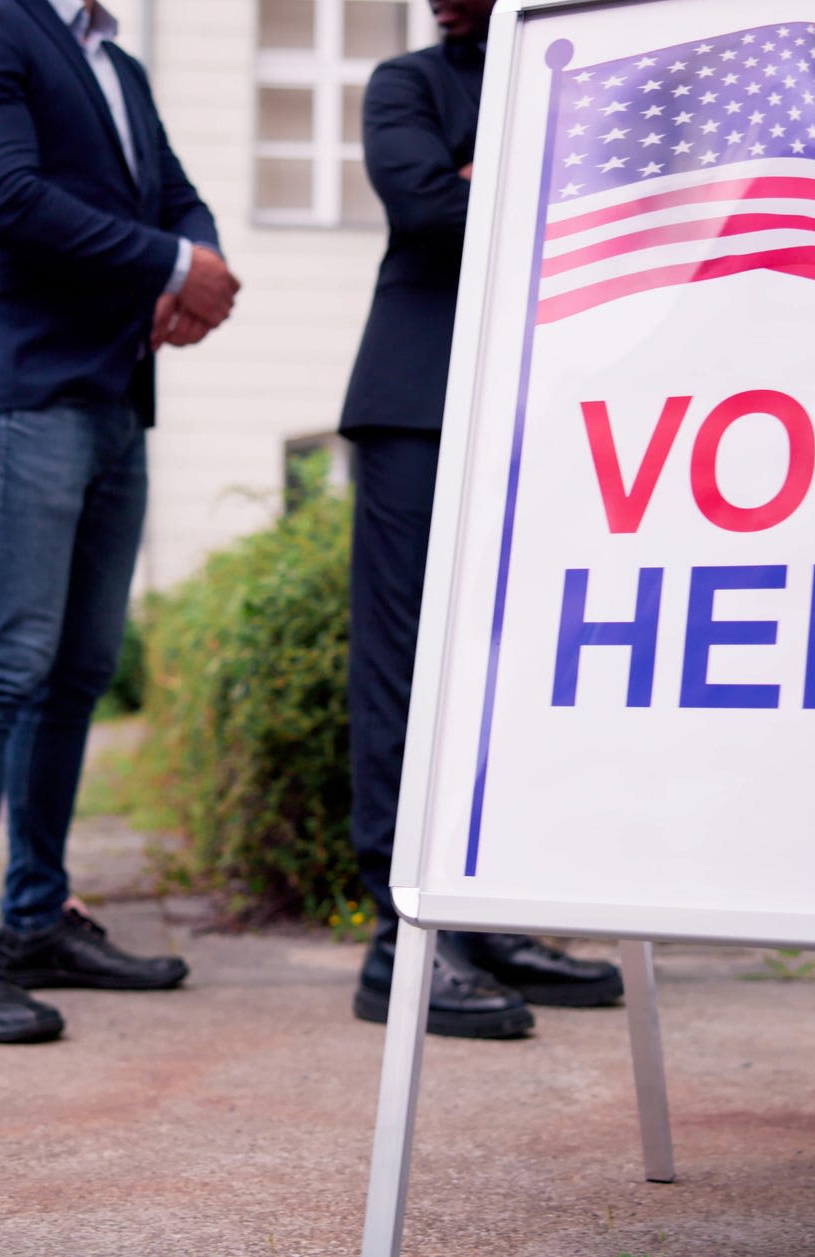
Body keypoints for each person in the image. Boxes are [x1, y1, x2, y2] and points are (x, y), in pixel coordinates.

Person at [0, 0, 238, 1043]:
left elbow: (175, 195)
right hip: (22, 396)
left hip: (112, 399)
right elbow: (5, 198)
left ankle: (38, 918)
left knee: (76, 671)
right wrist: (174, 268)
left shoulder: (117, 61)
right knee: (0, 666)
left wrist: (200, 253)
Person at [339, 0, 622, 1038]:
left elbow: (633, 201)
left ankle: (491, 914)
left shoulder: (585, 68)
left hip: (546, 405)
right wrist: (547, 184)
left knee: (514, 669)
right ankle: (401, 937)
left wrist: (485, 179)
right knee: (403, 668)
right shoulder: (404, 83)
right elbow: (423, 208)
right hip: (415, 403)